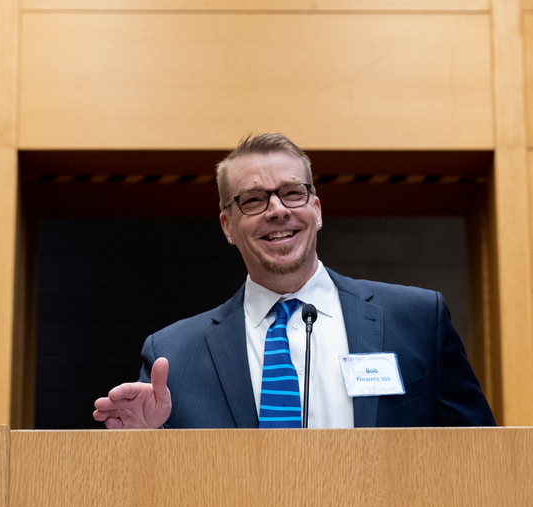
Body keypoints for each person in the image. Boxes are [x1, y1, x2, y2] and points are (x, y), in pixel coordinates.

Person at [93, 133, 496, 429]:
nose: (277, 210)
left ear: (316, 209)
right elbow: (145, 491)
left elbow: (479, 458)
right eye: (253, 200)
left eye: (292, 193)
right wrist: (143, 443)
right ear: (227, 226)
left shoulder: (418, 319)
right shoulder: (173, 353)